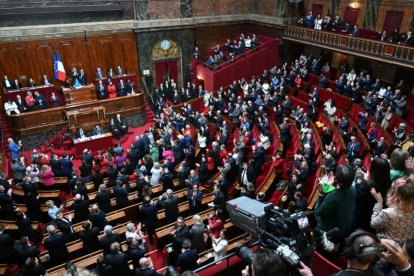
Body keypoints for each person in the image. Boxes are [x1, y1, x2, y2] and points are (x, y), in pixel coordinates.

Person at [315, 165, 355, 240]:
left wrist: (320, 194)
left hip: (332, 232)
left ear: (336, 179)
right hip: (345, 226)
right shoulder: (353, 189)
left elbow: (318, 212)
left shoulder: (332, 197)